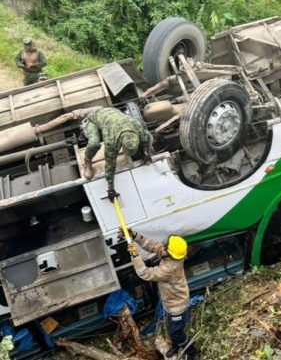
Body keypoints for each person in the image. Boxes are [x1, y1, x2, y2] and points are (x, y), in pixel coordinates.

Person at [126, 230, 198, 359]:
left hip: (177, 305)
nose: (163, 247)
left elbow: (146, 273)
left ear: (171, 252)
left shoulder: (169, 268)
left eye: (166, 247)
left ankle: (190, 350)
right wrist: (135, 236)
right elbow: (153, 245)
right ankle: (176, 346)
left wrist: (135, 255)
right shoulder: (173, 255)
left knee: (176, 331)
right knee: (172, 330)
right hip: (171, 302)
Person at [75, 107, 152, 202]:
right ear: (120, 141)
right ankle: (87, 162)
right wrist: (110, 188)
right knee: (94, 144)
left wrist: (146, 154)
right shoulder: (111, 140)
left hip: (113, 112)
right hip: (94, 118)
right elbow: (110, 164)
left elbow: (146, 140)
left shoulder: (137, 126)